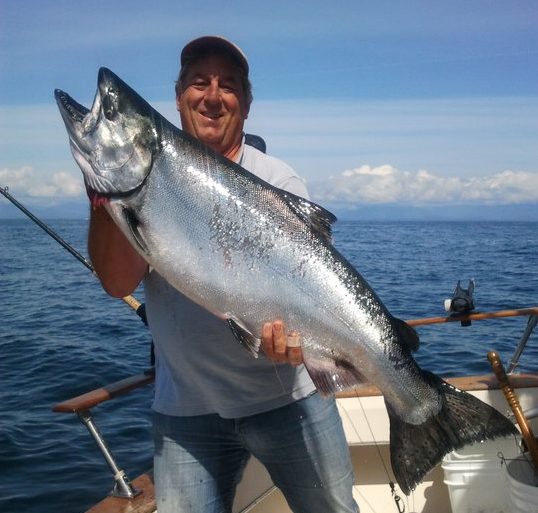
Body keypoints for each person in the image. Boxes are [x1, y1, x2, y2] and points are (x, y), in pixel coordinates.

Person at [88, 36, 359, 513]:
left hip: (289, 403)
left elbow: (314, 287)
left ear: (246, 105)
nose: (213, 95)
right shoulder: (148, 179)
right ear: (178, 98)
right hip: (185, 412)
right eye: (199, 82)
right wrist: (104, 200)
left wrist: (305, 343)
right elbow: (117, 284)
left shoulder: (278, 180)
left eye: (228, 85)